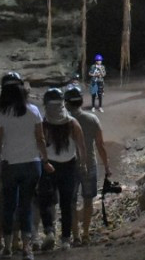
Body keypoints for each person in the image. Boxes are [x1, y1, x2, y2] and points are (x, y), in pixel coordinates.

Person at [0, 71, 50, 260]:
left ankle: (7, 247)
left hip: (10, 166)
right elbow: (40, 139)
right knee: (26, 205)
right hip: (32, 165)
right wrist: (46, 161)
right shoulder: (33, 111)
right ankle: (27, 248)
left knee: (9, 205)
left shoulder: (1, 116)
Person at [36, 87, 88, 251]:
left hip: (48, 165)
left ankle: (49, 230)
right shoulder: (72, 123)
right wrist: (83, 163)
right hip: (69, 166)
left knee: (45, 200)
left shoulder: (44, 124)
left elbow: (39, 144)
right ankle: (65, 239)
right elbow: (81, 146)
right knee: (66, 203)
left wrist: (42, 161)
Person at [64, 83, 109, 246]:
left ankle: (74, 235)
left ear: (66, 102)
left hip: (69, 166)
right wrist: (107, 165)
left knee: (70, 201)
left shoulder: (63, 122)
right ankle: (85, 234)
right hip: (89, 164)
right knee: (88, 200)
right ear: (81, 101)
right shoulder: (92, 118)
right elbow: (100, 145)